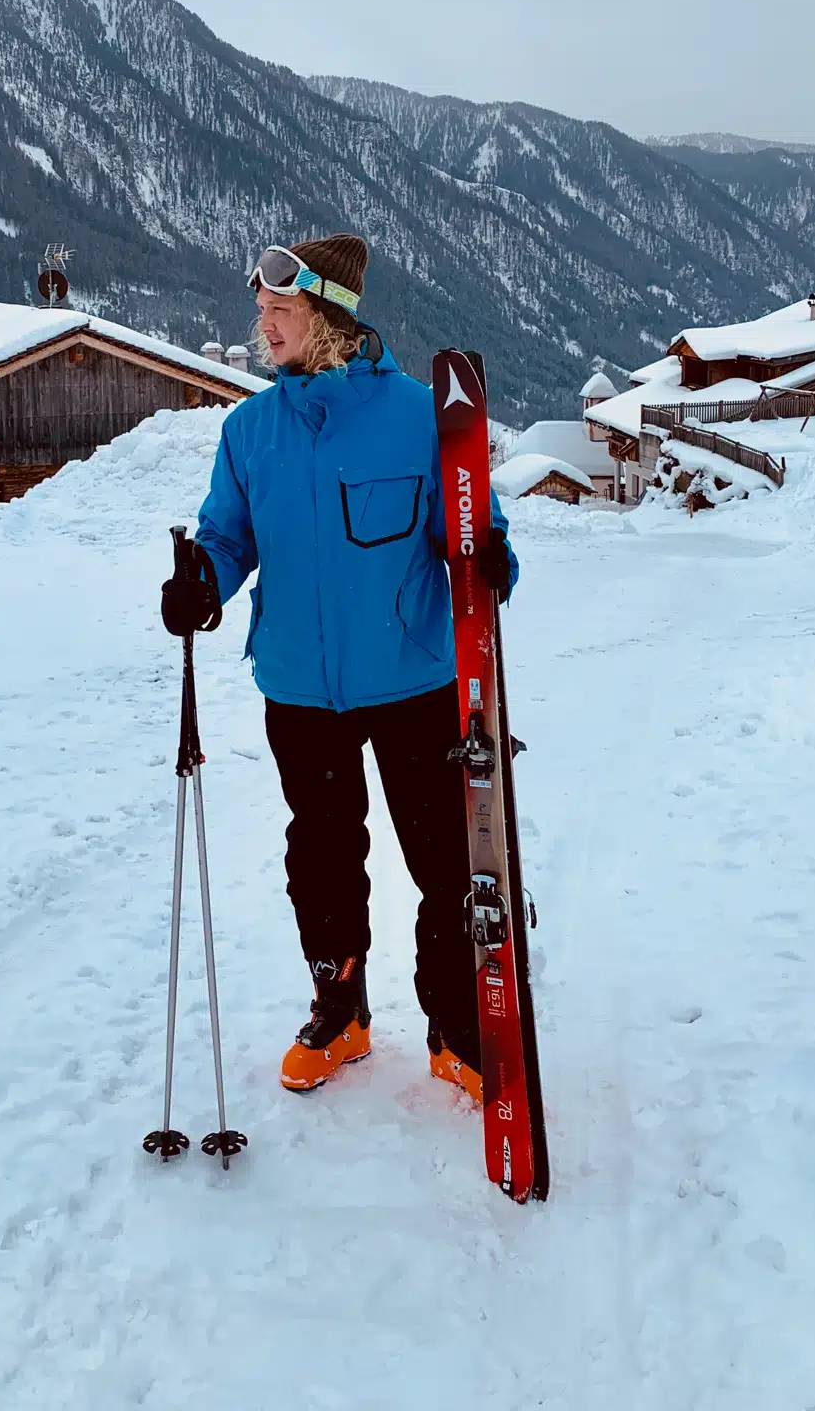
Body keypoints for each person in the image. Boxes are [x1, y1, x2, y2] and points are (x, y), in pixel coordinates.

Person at [161, 233, 516, 1101]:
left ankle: (452, 1023)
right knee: (320, 858)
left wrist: (488, 556)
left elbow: (470, 520)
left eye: (280, 310)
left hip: (412, 678)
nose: (263, 326)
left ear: (328, 315)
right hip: (299, 686)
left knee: (442, 861)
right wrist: (202, 580)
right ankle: (340, 1009)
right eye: (260, 309)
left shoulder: (418, 417)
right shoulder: (250, 432)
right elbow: (227, 537)